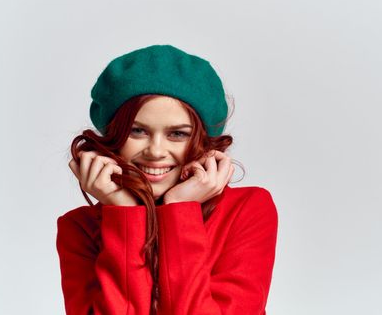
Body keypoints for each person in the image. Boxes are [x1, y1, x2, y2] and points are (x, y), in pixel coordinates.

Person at [55, 44, 278, 315]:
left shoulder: (247, 209)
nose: (156, 152)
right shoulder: (79, 228)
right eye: (137, 131)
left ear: (203, 141)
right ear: (114, 137)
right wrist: (124, 215)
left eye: (178, 134)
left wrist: (179, 210)